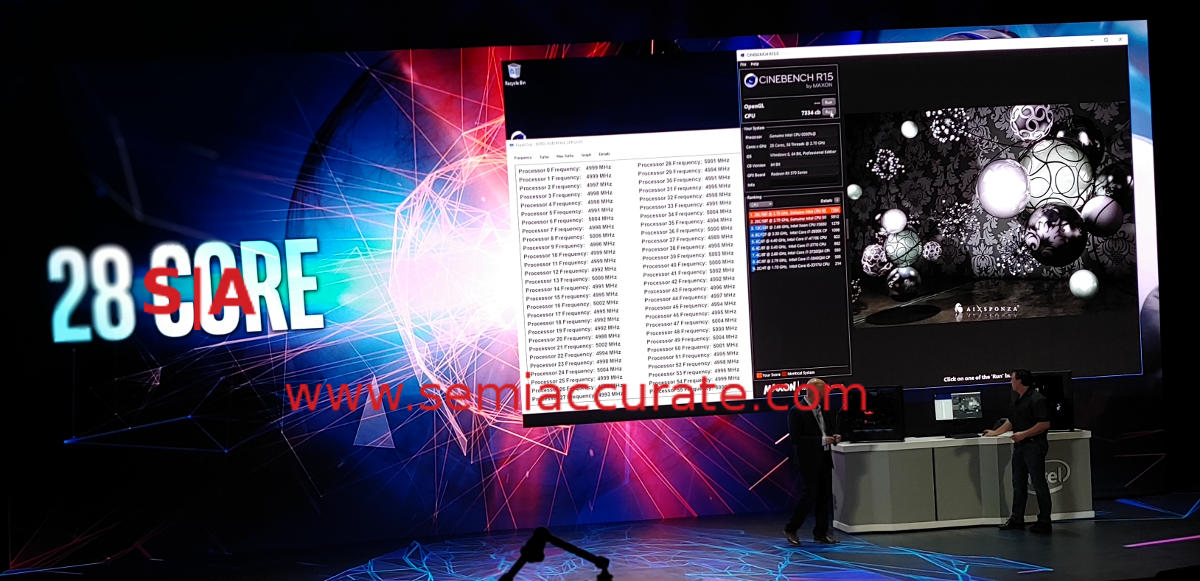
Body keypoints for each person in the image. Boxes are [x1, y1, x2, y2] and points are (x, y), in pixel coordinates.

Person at [983, 369, 1053, 533]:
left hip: (1034, 446)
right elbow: (1012, 420)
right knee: (1018, 483)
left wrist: (1023, 434)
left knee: (1038, 484)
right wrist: (995, 433)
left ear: (1020, 381)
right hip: (1020, 447)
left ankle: (1044, 521)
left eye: (1012, 379)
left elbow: (1044, 424)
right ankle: (1017, 519)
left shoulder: (1037, 399)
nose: (1010, 382)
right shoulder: (1018, 399)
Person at [784, 378, 840, 545]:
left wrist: (835, 436)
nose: (825, 394)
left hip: (824, 458)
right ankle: (791, 528)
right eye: (822, 391)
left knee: (823, 497)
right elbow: (796, 439)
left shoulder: (824, 409)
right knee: (808, 496)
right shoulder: (796, 411)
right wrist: (821, 440)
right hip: (808, 461)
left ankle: (820, 533)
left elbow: (828, 429)